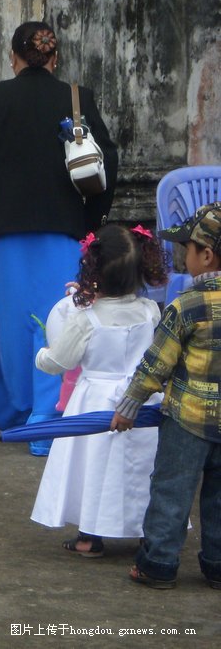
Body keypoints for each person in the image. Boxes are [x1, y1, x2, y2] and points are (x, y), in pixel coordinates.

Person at [0, 20, 119, 455]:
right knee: (59, 318)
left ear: (13, 57)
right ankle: (48, 418)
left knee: (9, 322)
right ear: (55, 57)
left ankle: (13, 413)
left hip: (6, 229)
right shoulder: (76, 98)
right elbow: (108, 159)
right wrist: (92, 220)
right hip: (63, 227)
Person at [30, 224, 167, 557]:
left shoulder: (85, 319)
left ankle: (90, 536)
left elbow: (60, 361)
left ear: (93, 273)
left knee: (93, 466)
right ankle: (149, 533)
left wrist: (41, 354)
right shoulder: (150, 312)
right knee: (140, 466)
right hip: (142, 399)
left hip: (95, 400)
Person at [112, 203, 221, 590]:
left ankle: (158, 564)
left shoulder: (185, 307)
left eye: (187, 249)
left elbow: (155, 366)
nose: (184, 257)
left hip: (187, 421)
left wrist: (128, 408)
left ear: (205, 255)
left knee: (171, 492)